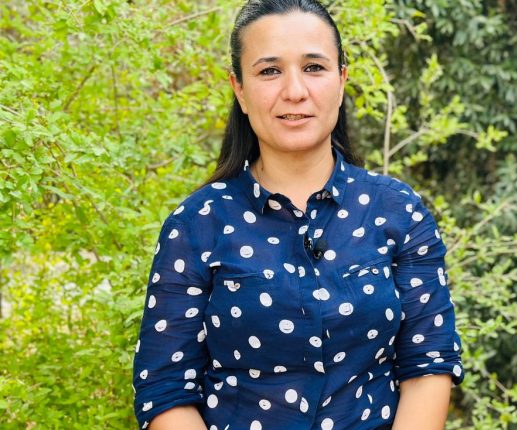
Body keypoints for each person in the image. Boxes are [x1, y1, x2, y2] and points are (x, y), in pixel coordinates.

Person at [131, 1, 464, 429]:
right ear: (239, 89)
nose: (294, 91)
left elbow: (428, 363)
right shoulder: (197, 223)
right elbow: (165, 387)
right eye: (270, 71)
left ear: (341, 81)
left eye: (313, 68)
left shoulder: (398, 210)